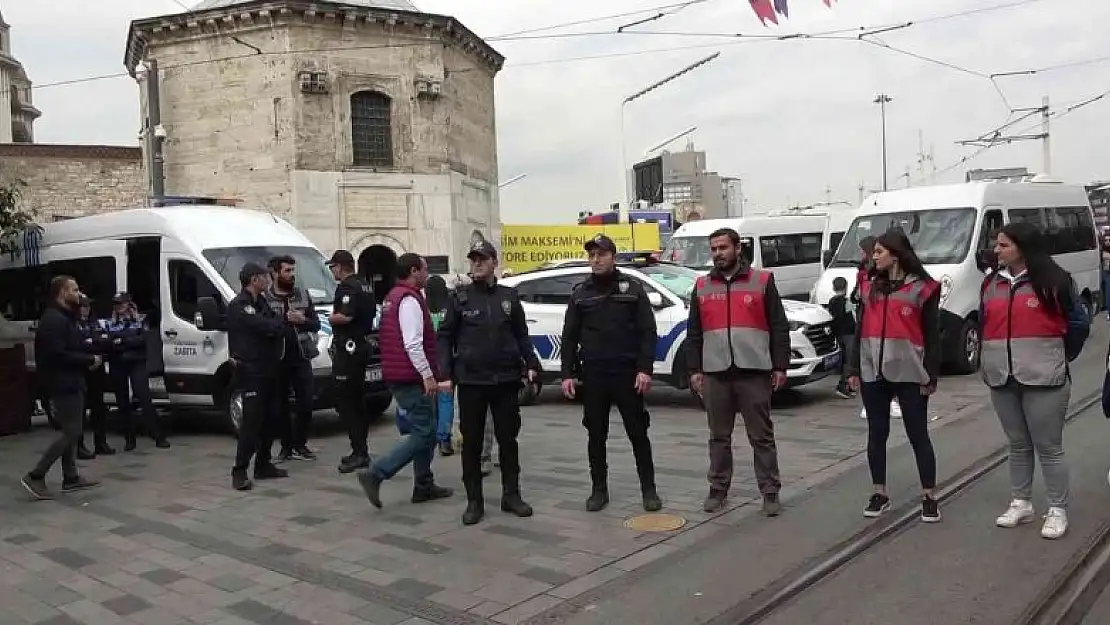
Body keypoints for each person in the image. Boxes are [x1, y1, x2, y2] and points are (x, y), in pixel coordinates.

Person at [983, 222, 1089, 539]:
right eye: (996, 245)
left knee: (1048, 447)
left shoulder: (1055, 282)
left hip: (1046, 378)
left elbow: (1078, 325)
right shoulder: (991, 284)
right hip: (1002, 377)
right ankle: (1021, 501)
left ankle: (1057, 508)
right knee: (1017, 444)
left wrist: (1057, 357)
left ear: (1022, 247)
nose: (996, 250)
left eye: (1002, 245)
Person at [686, 227, 790, 516]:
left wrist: (780, 366)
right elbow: (693, 332)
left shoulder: (762, 281)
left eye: (723, 247)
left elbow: (779, 326)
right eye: (714, 249)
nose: (718, 253)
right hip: (716, 373)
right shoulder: (702, 285)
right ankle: (718, 490)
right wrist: (694, 369)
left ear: (737, 248)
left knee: (761, 437)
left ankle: (770, 492)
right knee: (718, 437)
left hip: (753, 370)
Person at [437, 239, 539, 525]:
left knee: (508, 440)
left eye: (482, 259)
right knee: (471, 443)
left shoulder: (509, 297)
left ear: (494, 262)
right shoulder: (460, 298)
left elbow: (521, 334)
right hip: (472, 382)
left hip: (505, 380)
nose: (477, 264)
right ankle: (474, 501)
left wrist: (530, 364)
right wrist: (444, 374)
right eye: (473, 260)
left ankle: (511, 495)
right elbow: (444, 337)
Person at [560, 234, 661, 513]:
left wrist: (644, 369)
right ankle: (598, 490)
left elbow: (647, 332)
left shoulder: (632, 288)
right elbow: (569, 337)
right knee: (596, 435)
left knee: (638, 433)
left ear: (612, 257)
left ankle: (649, 490)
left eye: (601, 254)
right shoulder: (580, 293)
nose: (596, 259)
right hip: (594, 375)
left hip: (627, 374)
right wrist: (567, 374)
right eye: (592, 255)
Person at [847, 229, 942, 522]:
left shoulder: (922, 288)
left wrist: (931, 374)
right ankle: (880, 493)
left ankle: (929, 496)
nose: (873, 258)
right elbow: (859, 329)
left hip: (910, 371)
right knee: (877, 433)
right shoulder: (869, 287)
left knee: (918, 435)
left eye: (878, 252)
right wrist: (852, 369)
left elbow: (932, 335)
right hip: (872, 370)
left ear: (895, 254)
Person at [357, 253, 453, 508]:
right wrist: (428, 375)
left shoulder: (392, 297)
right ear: (413, 271)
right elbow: (412, 344)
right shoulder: (409, 300)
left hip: (401, 374)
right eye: (424, 269)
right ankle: (376, 473)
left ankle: (423, 484)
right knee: (424, 432)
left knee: (426, 429)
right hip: (410, 377)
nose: (427, 274)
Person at [20, 276, 101, 499]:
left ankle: (71, 477)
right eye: (74, 290)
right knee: (72, 431)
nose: (79, 293)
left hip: (71, 380)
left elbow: (70, 346)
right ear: (61, 293)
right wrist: (88, 360)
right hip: (62, 383)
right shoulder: (54, 320)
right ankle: (36, 475)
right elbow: (58, 354)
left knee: (72, 431)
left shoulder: (65, 317)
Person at [227, 262, 289, 491]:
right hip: (251, 370)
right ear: (254, 279)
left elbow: (278, 324)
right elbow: (265, 326)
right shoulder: (239, 305)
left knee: (271, 418)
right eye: (265, 277)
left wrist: (274, 325)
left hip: (269, 368)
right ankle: (239, 470)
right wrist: (273, 326)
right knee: (251, 422)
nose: (268, 280)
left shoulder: (260, 302)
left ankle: (263, 464)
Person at [265, 255, 321, 463]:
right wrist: (281, 320)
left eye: (293, 270)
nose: (291, 275)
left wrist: (303, 320)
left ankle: (300, 444)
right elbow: (262, 325)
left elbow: (316, 324)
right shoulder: (266, 299)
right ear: (275, 273)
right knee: (280, 405)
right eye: (287, 271)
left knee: (306, 402)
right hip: (277, 358)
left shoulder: (302, 295)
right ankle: (286, 447)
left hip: (301, 355)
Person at [327, 250, 377, 474]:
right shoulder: (365, 285)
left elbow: (346, 315)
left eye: (333, 267)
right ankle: (360, 449)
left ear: (340, 267)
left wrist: (328, 318)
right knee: (357, 401)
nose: (332, 272)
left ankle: (359, 452)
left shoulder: (347, 287)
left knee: (348, 403)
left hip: (349, 349)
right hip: (362, 346)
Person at [101, 292, 169, 450]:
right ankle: (129, 439)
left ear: (129, 304)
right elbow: (108, 342)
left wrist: (122, 341)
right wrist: (123, 342)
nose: (119, 307)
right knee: (123, 403)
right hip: (118, 364)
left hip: (137, 363)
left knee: (145, 398)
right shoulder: (111, 323)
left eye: (122, 304)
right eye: (117, 304)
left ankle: (158, 436)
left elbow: (142, 340)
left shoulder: (140, 320)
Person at [76, 295, 116, 459]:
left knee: (99, 408)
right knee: (80, 410)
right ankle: (79, 446)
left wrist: (94, 344)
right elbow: (79, 345)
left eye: (88, 306)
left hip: (97, 369)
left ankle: (101, 443)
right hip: (81, 370)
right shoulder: (73, 325)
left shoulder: (95, 323)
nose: (86, 309)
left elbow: (107, 342)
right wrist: (93, 344)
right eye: (83, 306)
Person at [828, 276, 856, 399]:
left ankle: (846, 385)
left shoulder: (831, 301)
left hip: (838, 334)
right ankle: (843, 385)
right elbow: (852, 318)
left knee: (844, 358)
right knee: (849, 361)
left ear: (834, 288)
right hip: (849, 334)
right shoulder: (847, 302)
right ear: (846, 287)